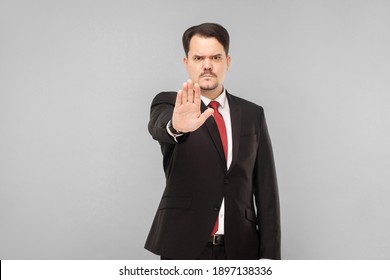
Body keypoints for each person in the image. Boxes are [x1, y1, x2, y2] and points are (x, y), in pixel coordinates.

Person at [145, 23, 280, 260]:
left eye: (215, 57)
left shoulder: (252, 114)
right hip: (184, 247)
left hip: (242, 249)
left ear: (227, 61)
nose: (207, 65)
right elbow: (159, 126)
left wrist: (270, 258)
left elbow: (266, 190)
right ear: (186, 62)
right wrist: (176, 126)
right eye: (198, 57)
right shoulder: (169, 104)